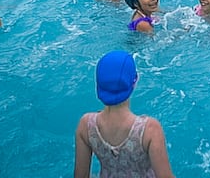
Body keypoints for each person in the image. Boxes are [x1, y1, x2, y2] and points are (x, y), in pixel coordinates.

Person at [73, 50, 174, 178]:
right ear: (134, 82)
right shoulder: (149, 129)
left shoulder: (86, 125)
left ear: (98, 86)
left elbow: (80, 176)